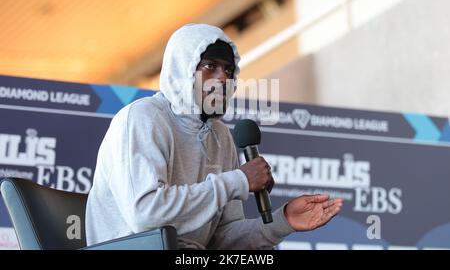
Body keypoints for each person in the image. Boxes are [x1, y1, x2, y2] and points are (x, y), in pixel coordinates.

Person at [85, 23, 343, 249]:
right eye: (210, 66)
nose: (223, 78)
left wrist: (283, 221)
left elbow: (223, 239)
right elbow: (146, 215)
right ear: (182, 69)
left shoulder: (220, 137)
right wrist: (239, 180)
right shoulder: (143, 118)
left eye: (229, 71)